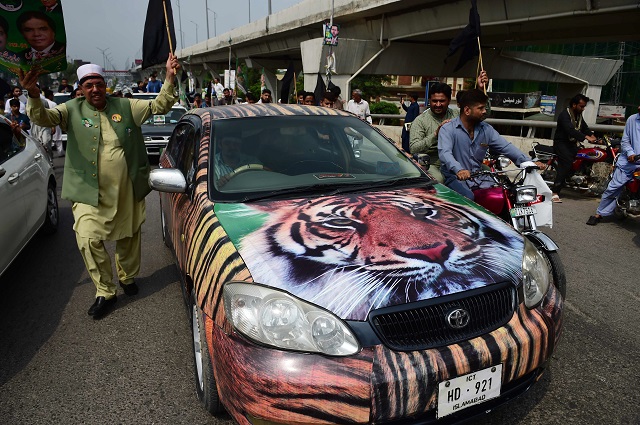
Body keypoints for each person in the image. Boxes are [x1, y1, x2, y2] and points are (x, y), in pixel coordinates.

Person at [21, 53, 181, 320]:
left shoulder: (126, 105)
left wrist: (170, 77)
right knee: (87, 238)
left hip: (126, 187)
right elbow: (43, 119)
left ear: (105, 85)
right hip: (87, 190)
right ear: (80, 89)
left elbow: (159, 106)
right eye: (88, 85)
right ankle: (105, 291)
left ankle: (127, 277)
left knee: (128, 235)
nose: (95, 89)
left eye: (99, 83)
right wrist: (34, 95)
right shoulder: (70, 109)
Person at [438, 89, 541, 200]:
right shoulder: (448, 129)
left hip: (479, 177)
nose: (484, 111)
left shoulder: (486, 129)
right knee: (468, 198)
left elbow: (506, 147)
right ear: (467, 110)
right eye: (480, 108)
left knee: (504, 195)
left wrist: (529, 162)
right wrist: (459, 170)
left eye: (484, 108)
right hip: (455, 177)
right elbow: (445, 153)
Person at [410, 71, 488, 182]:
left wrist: (480, 90)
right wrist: (435, 135)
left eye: (442, 101)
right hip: (433, 165)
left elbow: (481, 113)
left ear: (449, 100)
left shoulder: (457, 115)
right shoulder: (420, 121)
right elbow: (414, 148)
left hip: (460, 161)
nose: (438, 104)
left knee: (487, 172)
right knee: (439, 180)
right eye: (434, 101)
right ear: (429, 101)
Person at [587, 106, 640, 225]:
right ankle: (599, 213)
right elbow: (625, 141)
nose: (639, 107)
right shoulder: (632, 119)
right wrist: (630, 153)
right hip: (628, 161)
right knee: (613, 188)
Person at [551, 93, 596, 203]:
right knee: (566, 163)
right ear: (574, 105)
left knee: (586, 158)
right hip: (561, 143)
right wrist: (585, 137)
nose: (583, 108)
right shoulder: (564, 115)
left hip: (571, 144)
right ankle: (555, 192)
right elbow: (570, 130)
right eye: (581, 106)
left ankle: (582, 185)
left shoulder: (578, 115)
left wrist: (593, 136)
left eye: (584, 106)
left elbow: (584, 127)